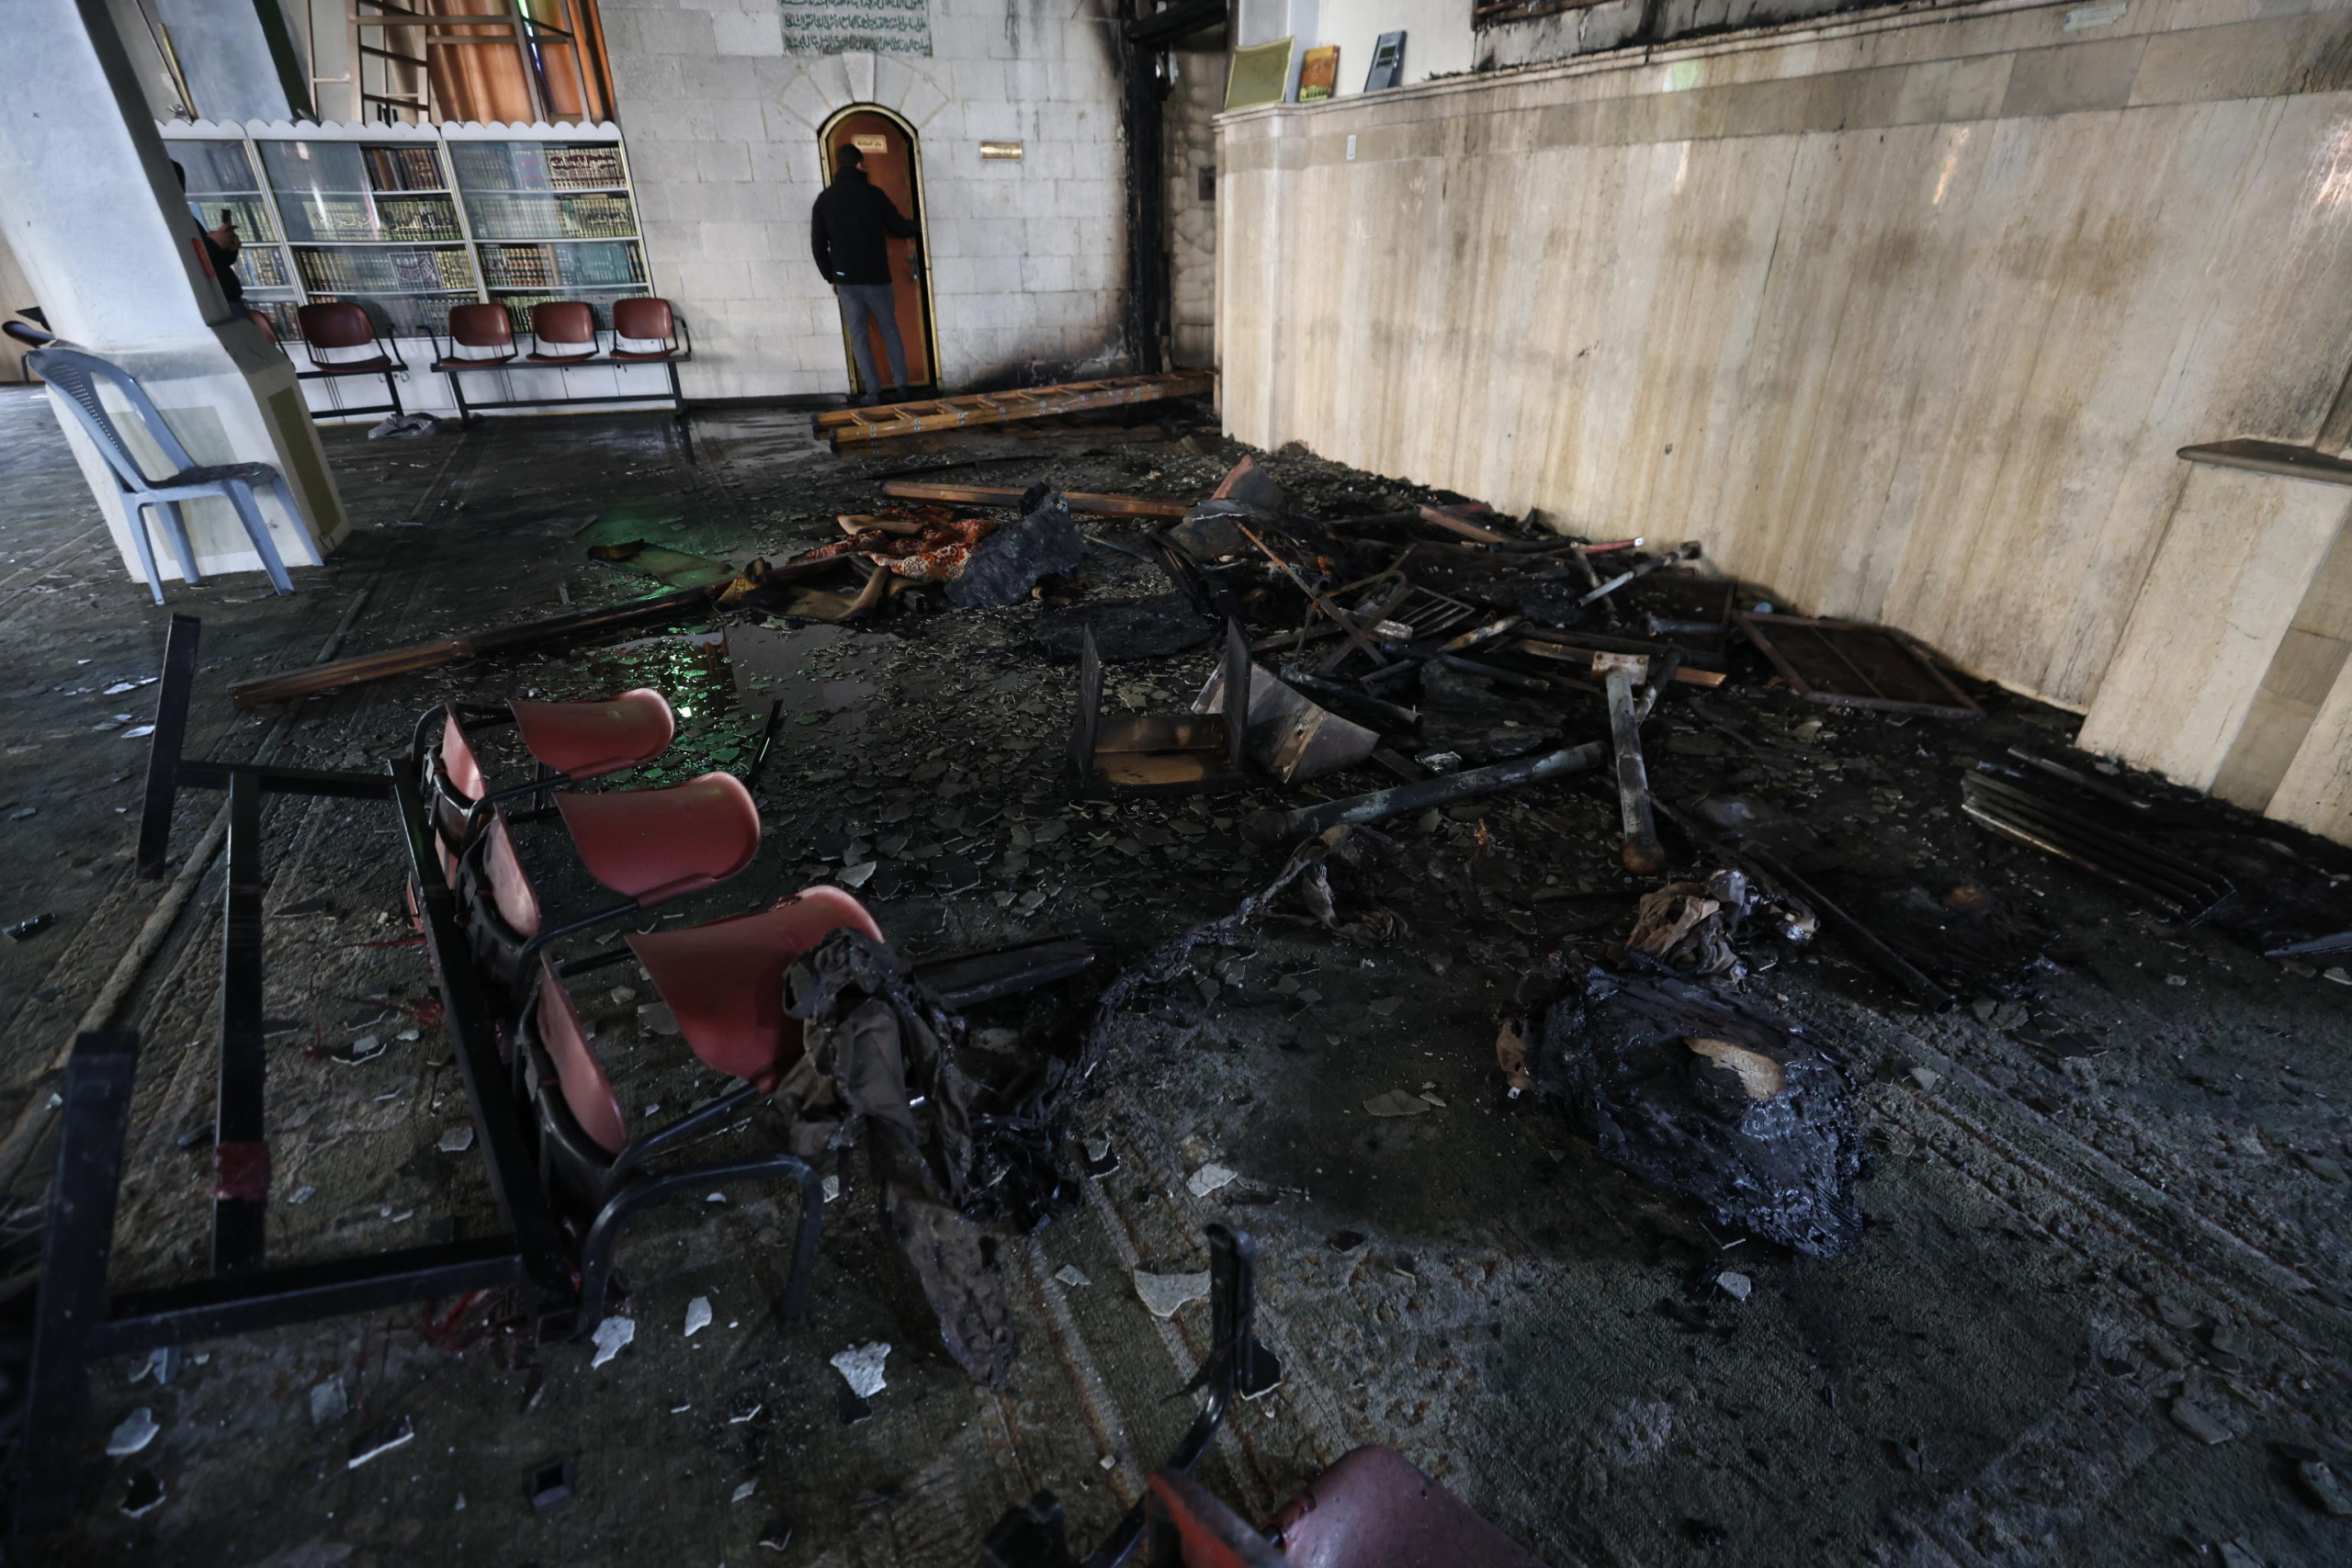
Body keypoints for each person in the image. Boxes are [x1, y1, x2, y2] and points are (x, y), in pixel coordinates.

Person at [810, 144, 920, 404]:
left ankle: (873, 392)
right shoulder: (874, 194)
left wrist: (831, 276)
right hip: (876, 277)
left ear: (839, 166)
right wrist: (919, 225)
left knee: (859, 336)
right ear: (860, 165)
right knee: (890, 330)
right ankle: (903, 387)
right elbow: (899, 226)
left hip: (846, 279)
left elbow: (817, 245)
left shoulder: (824, 200)